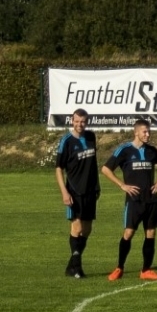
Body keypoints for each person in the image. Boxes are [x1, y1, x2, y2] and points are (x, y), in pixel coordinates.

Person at [100, 118, 157, 282]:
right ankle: (119, 267)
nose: (148, 134)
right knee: (129, 233)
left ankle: (146, 270)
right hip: (134, 200)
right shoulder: (124, 150)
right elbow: (105, 169)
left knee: (151, 233)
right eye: (145, 131)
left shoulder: (152, 151)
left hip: (151, 199)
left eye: (149, 131)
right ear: (136, 132)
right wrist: (122, 185)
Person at [54, 108, 101, 279]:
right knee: (77, 227)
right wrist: (64, 192)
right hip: (74, 190)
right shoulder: (66, 141)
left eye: (83, 121)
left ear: (87, 122)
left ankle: (72, 264)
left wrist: (97, 186)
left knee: (87, 229)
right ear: (71, 121)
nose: (79, 124)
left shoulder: (91, 137)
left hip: (90, 190)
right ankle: (77, 267)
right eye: (76, 121)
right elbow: (58, 168)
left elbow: (93, 164)